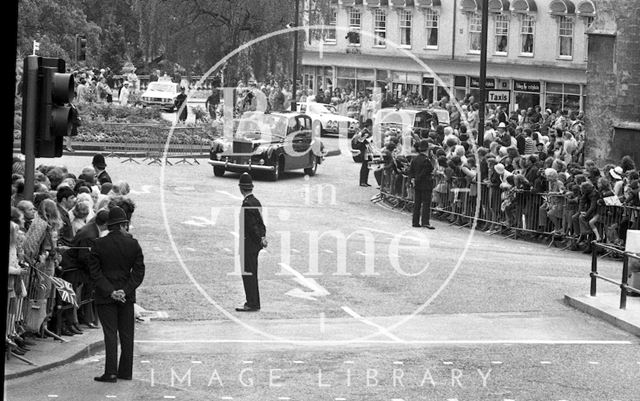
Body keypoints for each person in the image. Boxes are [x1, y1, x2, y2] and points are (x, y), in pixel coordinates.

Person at [89, 207, 145, 382]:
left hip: (106, 296)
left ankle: (111, 372)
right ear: (123, 224)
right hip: (126, 296)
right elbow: (138, 271)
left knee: (111, 334)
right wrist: (125, 290)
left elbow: (95, 272)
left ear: (109, 225)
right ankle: (126, 372)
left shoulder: (98, 244)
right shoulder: (133, 244)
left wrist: (110, 291)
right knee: (127, 335)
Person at [236, 173, 267, 312]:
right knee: (253, 274)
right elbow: (261, 224)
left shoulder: (246, 204)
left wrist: (258, 238)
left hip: (248, 246)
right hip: (255, 245)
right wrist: (263, 237)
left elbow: (252, 227)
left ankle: (252, 303)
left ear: (241, 188)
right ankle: (254, 301)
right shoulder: (256, 201)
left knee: (248, 275)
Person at [409, 139, 436, 229]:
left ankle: (415, 221)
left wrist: (414, 179)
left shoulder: (415, 159)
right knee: (426, 204)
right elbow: (429, 170)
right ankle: (425, 222)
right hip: (425, 183)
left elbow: (411, 171)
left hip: (417, 183)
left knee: (417, 203)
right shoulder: (426, 160)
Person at [355, 119, 373, 187]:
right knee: (364, 166)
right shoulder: (365, 132)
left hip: (368, 150)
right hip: (365, 150)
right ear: (369, 125)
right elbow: (362, 141)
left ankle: (365, 181)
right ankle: (362, 181)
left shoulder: (367, 131)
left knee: (367, 165)